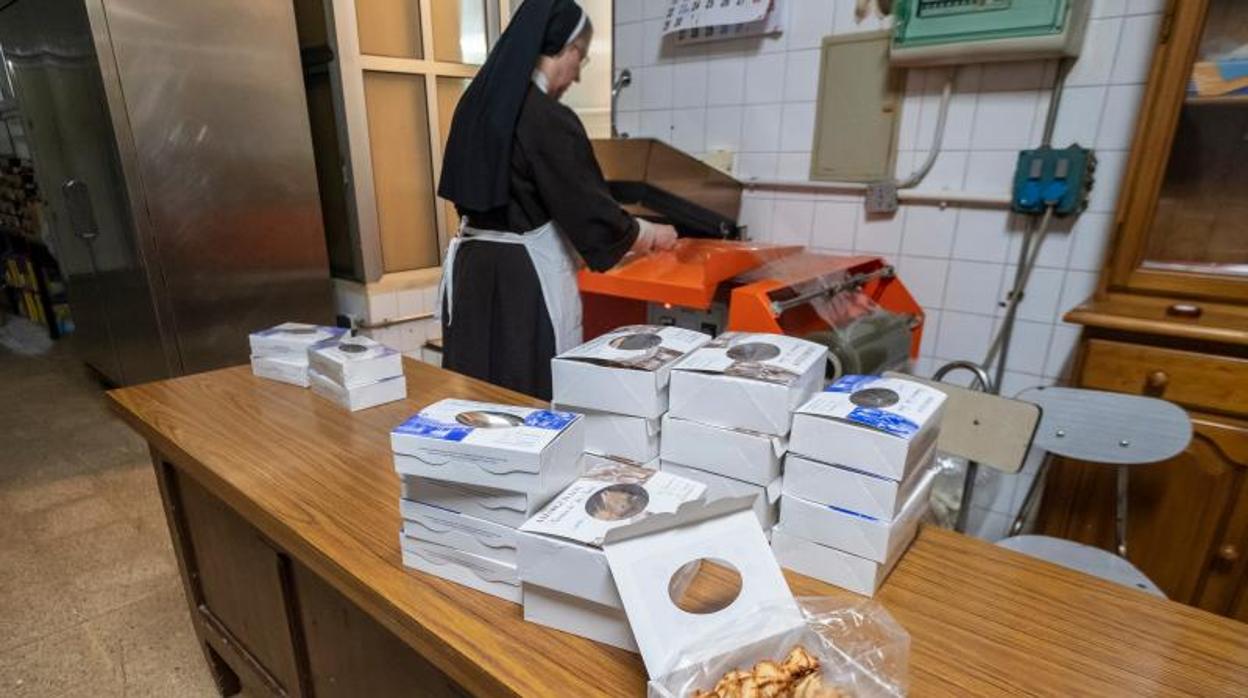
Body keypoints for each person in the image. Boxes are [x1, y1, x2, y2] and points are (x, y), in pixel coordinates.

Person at [437, 0, 678, 400]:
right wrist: (653, 233)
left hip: (470, 271)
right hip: (522, 282)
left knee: (474, 390)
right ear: (563, 48)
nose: (578, 74)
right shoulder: (545, 117)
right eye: (580, 57)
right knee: (526, 394)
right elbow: (594, 216)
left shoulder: (475, 107)